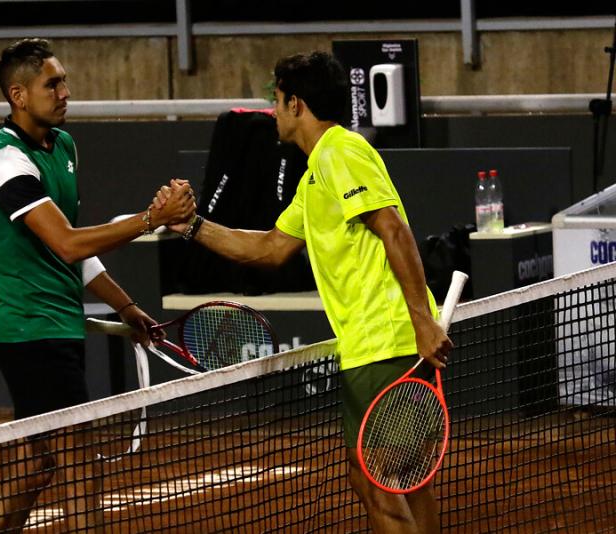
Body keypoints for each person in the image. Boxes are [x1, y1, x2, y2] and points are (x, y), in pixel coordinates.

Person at [157, 51, 452, 533]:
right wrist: (190, 225)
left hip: (387, 342)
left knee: (375, 480)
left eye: (276, 100)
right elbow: (270, 249)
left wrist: (421, 320)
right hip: (373, 345)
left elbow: (393, 229)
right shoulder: (317, 172)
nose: (272, 111)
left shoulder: (341, 152)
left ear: (296, 104)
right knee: (401, 481)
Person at [0, 38, 195, 532]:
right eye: (51, 83)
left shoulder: (64, 147)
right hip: (33, 335)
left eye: (64, 81)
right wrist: (151, 219)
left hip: (57, 331)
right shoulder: (5, 161)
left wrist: (126, 306)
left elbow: (71, 255)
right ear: (18, 95)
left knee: (37, 465)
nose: (65, 92)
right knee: (80, 467)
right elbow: (69, 243)